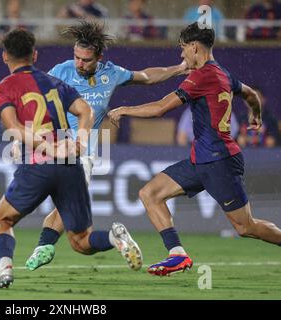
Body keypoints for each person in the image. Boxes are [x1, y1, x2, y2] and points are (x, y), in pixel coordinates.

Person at [108, 22, 281, 277]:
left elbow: (160, 108)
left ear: (194, 47)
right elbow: (250, 94)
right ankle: (177, 255)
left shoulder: (202, 76)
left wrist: (124, 109)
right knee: (150, 193)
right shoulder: (222, 73)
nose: (181, 55)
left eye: (183, 49)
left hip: (219, 161)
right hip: (200, 160)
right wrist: (255, 116)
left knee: (246, 228)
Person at [0, 28, 143, 289]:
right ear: (34, 55)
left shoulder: (3, 87)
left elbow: (13, 127)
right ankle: (114, 238)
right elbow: (85, 111)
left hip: (38, 165)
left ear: (4, 56)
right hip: (71, 166)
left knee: (4, 219)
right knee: (81, 240)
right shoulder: (53, 82)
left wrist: (48, 148)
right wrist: (79, 141)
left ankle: (4, 270)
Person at [25, 20, 189, 272]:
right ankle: (54, 244)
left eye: (86, 60)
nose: (79, 64)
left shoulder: (111, 73)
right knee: (77, 237)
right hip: (55, 150)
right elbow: (34, 94)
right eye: (77, 57)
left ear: (99, 57)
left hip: (82, 155)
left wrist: (179, 68)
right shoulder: (62, 71)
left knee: (66, 212)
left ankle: (44, 246)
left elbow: (146, 77)